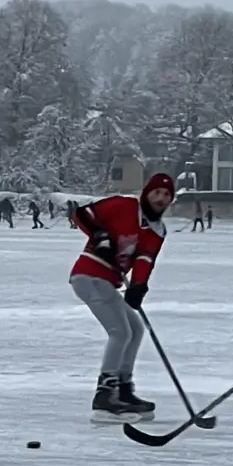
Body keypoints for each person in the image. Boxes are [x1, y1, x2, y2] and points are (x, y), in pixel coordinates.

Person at [70, 173, 173, 423]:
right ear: (147, 193)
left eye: (167, 195)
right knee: (120, 332)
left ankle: (123, 389)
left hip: (109, 282)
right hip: (89, 275)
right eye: (157, 192)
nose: (161, 198)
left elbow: (144, 258)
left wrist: (139, 285)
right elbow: (82, 214)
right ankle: (104, 395)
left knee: (135, 329)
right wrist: (100, 236)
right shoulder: (124, 206)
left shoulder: (157, 230)